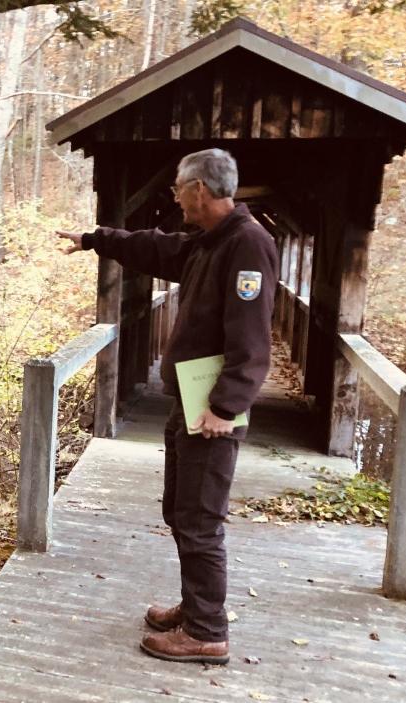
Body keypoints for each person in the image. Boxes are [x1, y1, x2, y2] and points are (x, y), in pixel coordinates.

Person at [56, 148, 278, 665]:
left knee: (199, 516)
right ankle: (197, 606)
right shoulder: (211, 242)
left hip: (211, 410)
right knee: (180, 509)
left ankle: (206, 631)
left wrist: (225, 407)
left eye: (178, 188)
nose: (174, 197)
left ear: (199, 189)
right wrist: (95, 239)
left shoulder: (248, 245)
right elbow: (158, 249)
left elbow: (253, 341)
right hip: (190, 399)